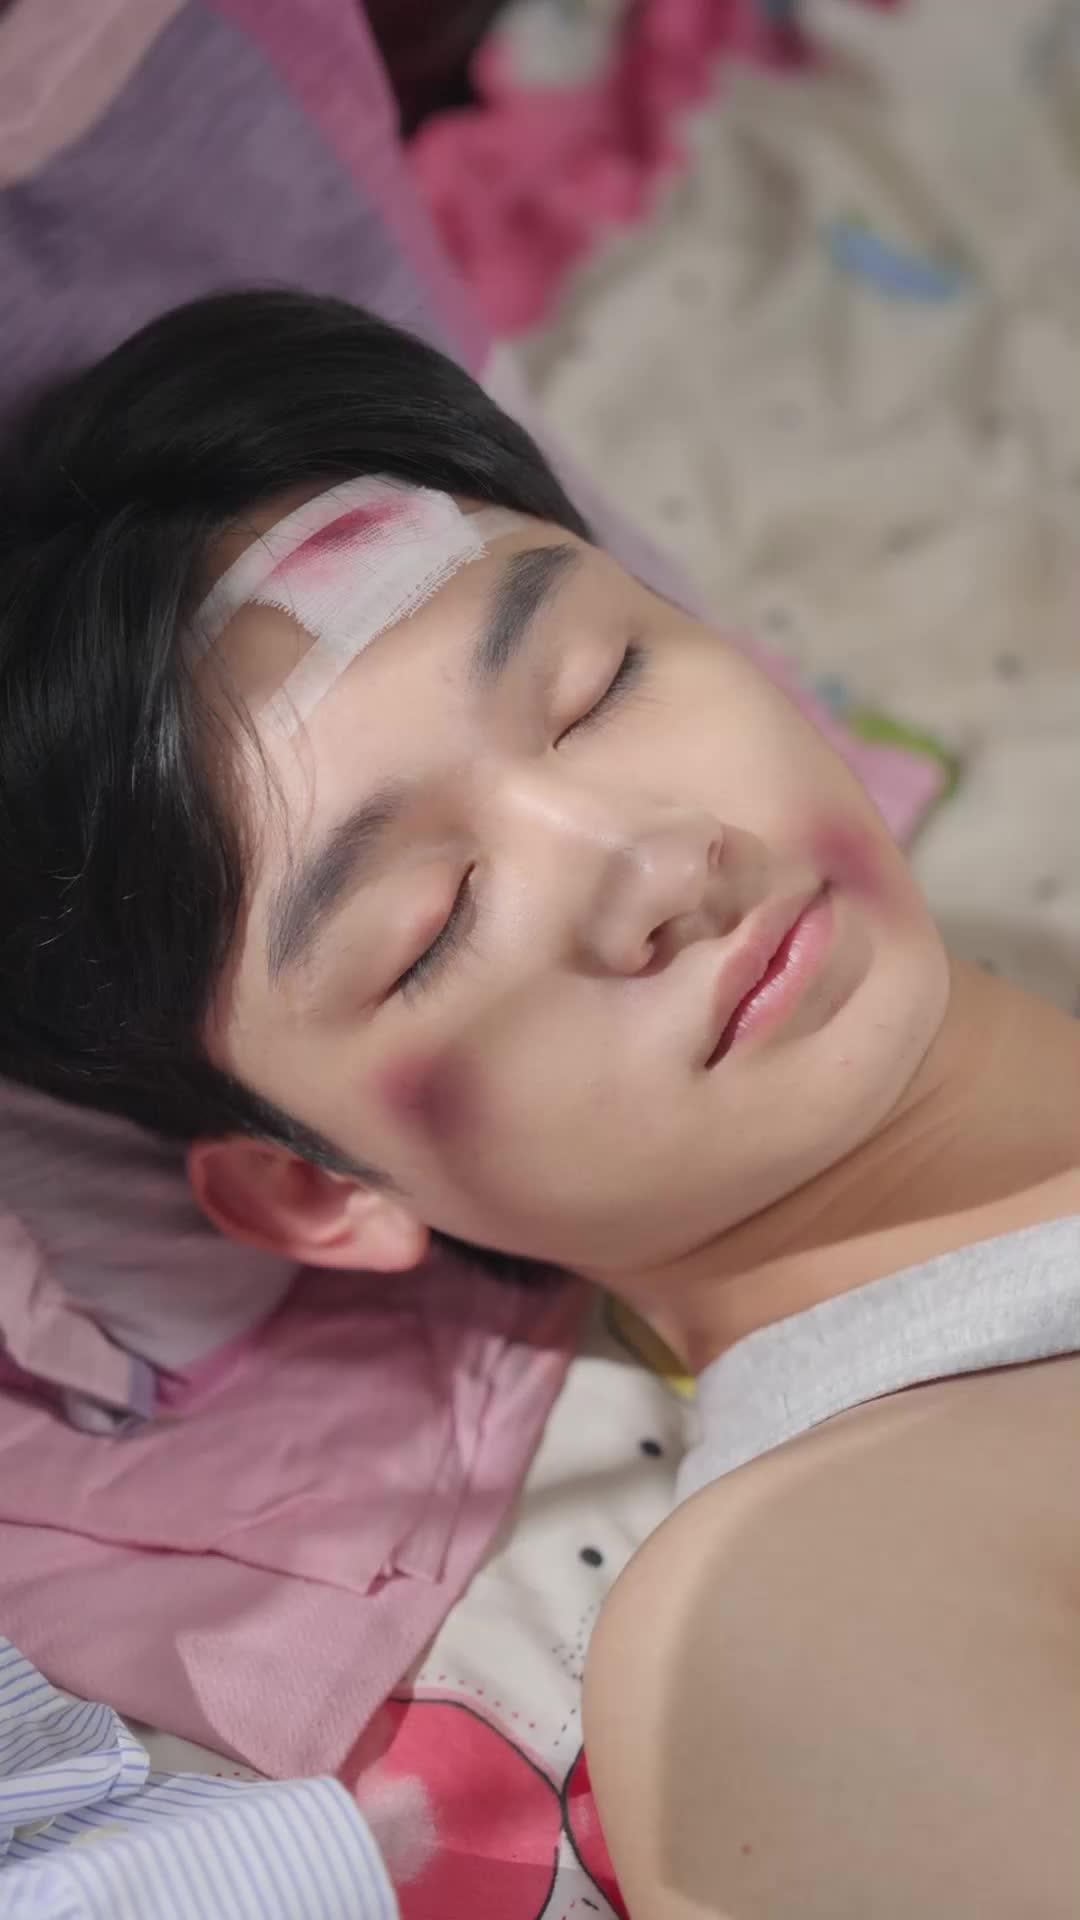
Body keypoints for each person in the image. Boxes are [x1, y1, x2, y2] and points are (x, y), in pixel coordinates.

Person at [2, 290, 1078, 1917]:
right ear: (318, 1191)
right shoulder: (810, 1606)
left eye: (597, 685)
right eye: (428, 924)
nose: (649, 861)